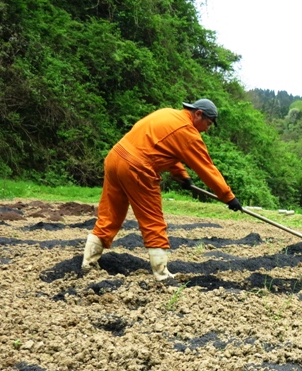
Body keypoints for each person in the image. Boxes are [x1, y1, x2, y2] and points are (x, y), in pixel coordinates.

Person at [81, 99, 243, 280]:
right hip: (137, 167)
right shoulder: (187, 132)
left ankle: (88, 262)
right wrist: (228, 197)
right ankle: (161, 274)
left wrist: (182, 175)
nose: (207, 129)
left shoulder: (167, 114)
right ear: (198, 114)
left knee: (110, 215)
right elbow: (207, 169)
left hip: (115, 157)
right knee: (153, 220)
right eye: (208, 123)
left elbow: (164, 147)